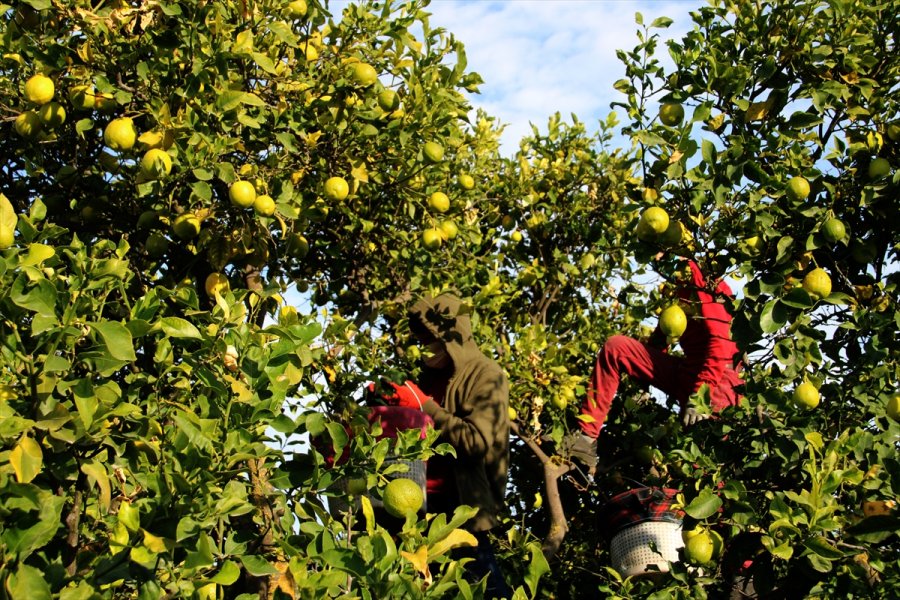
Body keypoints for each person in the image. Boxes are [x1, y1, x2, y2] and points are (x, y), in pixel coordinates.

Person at [375, 292, 512, 598]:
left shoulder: (485, 374)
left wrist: (424, 406)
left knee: (481, 591)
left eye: (430, 336)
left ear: (452, 334)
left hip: (460, 516)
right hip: (414, 513)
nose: (424, 344)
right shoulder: (428, 377)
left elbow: (475, 443)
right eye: (420, 337)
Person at [565, 258, 744, 469]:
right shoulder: (678, 287)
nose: (658, 257)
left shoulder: (702, 278)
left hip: (716, 386)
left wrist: (699, 397)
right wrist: (640, 377)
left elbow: (721, 343)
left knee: (703, 467)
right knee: (617, 348)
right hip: (688, 374)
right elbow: (663, 336)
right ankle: (585, 439)